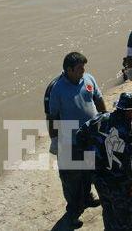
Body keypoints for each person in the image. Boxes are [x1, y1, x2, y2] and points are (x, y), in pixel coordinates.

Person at [44, 52, 106, 228]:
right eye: (79, 68)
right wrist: (55, 140)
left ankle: (87, 197)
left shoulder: (88, 79)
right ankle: (73, 211)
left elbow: (98, 100)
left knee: (89, 171)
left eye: (84, 67)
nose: (83, 70)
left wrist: (106, 120)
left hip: (91, 138)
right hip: (70, 142)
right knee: (72, 179)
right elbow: (52, 117)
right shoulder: (56, 88)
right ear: (69, 70)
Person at [75, 93, 132, 231]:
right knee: (126, 218)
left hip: (99, 179)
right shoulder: (130, 133)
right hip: (120, 184)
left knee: (108, 210)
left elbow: (79, 136)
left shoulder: (99, 119)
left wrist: (91, 162)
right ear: (130, 112)